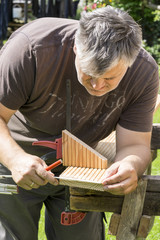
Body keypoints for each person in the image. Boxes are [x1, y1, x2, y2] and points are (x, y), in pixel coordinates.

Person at [0, 5, 159, 240]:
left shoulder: (143, 74)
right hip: (14, 155)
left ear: (130, 62)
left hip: (85, 167)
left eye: (109, 78)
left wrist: (130, 164)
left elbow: (134, 143)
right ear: (76, 48)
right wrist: (14, 159)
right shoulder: (31, 49)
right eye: (89, 73)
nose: (96, 86)